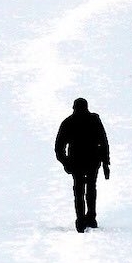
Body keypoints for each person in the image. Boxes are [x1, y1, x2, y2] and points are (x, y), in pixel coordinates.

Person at [54, 98, 110, 233]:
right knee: (89, 189)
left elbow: (58, 147)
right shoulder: (93, 120)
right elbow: (104, 143)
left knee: (81, 191)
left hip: (80, 161)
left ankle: (83, 220)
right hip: (88, 161)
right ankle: (88, 218)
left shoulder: (69, 122)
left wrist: (66, 162)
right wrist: (105, 163)